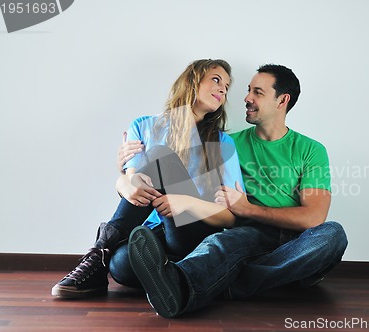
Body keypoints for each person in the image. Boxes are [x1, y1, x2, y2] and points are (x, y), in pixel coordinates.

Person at [121, 64, 348, 318]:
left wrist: (248, 208)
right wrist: (126, 166)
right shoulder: (226, 143)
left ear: (282, 100)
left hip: (297, 241)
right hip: (248, 234)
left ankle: (219, 282)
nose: (246, 98)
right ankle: (189, 289)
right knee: (221, 243)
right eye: (249, 90)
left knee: (333, 235)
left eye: (258, 92)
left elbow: (313, 218)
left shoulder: (310, 150)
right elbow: (172, 168)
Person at [51, 59, 245, 298]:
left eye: (226, 86)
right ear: (192, 81)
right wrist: (122, 181)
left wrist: (185, 202)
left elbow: (232, 215)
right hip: (153, 233)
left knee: (160, 156)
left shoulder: (222, 143)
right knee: (120, 265)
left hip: (193, 233)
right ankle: (172, 277)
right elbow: (133, 185)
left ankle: (98, 254)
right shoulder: (143, 126)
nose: (223, 89)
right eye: (216, 80)